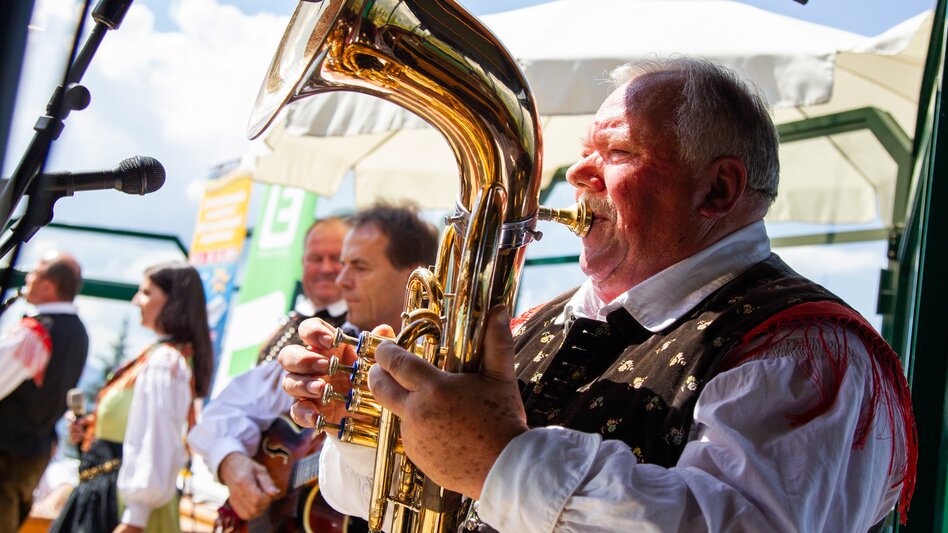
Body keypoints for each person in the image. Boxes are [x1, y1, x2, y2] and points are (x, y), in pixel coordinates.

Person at [280, 58, 917, 532]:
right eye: (584, 152)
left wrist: (503, 461)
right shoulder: (535, 322)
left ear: (718, 191)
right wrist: (375, 421)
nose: (578, 173)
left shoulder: (804, 349)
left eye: (616, 150)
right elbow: (396, 500)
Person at [188, 217, 350, 523]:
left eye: (337, 258)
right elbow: (231, 406)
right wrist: (230, 460)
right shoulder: (282, 330)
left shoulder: (363, 334)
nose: (327, 268)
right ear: (303, 263)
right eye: (317, 258)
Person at [51, 262, 213, 533]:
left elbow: (159, 440)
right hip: (108, 496)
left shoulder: (166, 362)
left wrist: (135, 518)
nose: (137, 300)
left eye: (147, 293)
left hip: (122, 508)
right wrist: (92, 428)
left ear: (174, 301)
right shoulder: (158, 356)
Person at [0, 250, 88, 531]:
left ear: (49, 286)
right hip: (34, 455)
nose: (27, 278)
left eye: (34, 274)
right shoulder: (79, 333)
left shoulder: (35, 331)